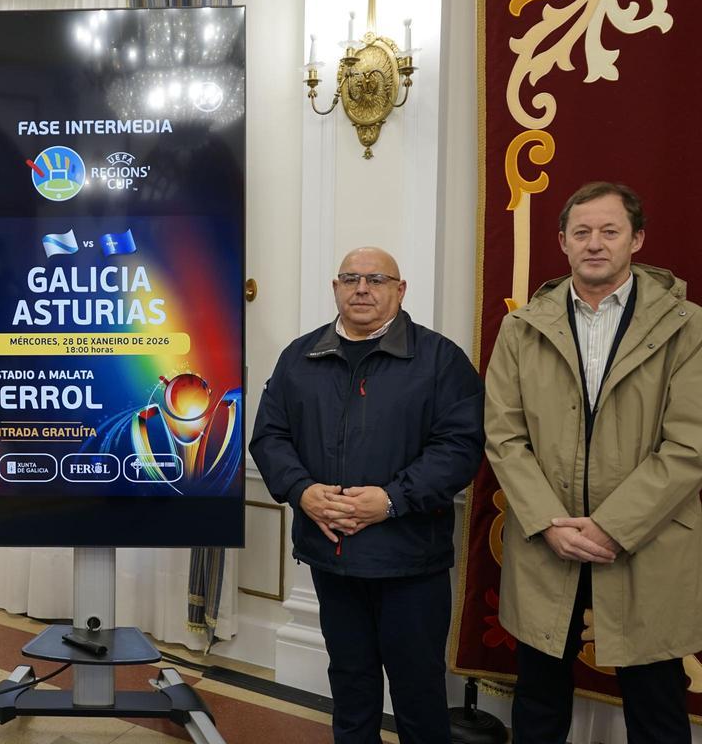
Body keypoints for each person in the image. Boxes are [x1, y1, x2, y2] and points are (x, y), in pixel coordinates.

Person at [485, 181, 702, 743]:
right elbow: (504, 436)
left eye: (610, 231)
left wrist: (611, 527)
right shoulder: (521, 328)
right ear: (562, 242)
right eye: (581, 232)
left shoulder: (688, 326)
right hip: (547, 541)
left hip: (645, 542)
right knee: (537, 701)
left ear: (637, 239)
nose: (595, 243)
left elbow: (689, 445)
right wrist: (550, 523)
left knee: (656, 705)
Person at [250, 247, 484, 744]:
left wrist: (393, 499)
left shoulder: (440, 359)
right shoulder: (299, 356)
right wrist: (302, 491)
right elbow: (270, 436)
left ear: (400, 291)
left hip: (410, 561)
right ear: (335, 288)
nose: (362, 288)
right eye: (351, 278)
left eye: (377, 279)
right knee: (351, 689)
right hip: (331, 557)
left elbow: (461, 447)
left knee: (418, 694)